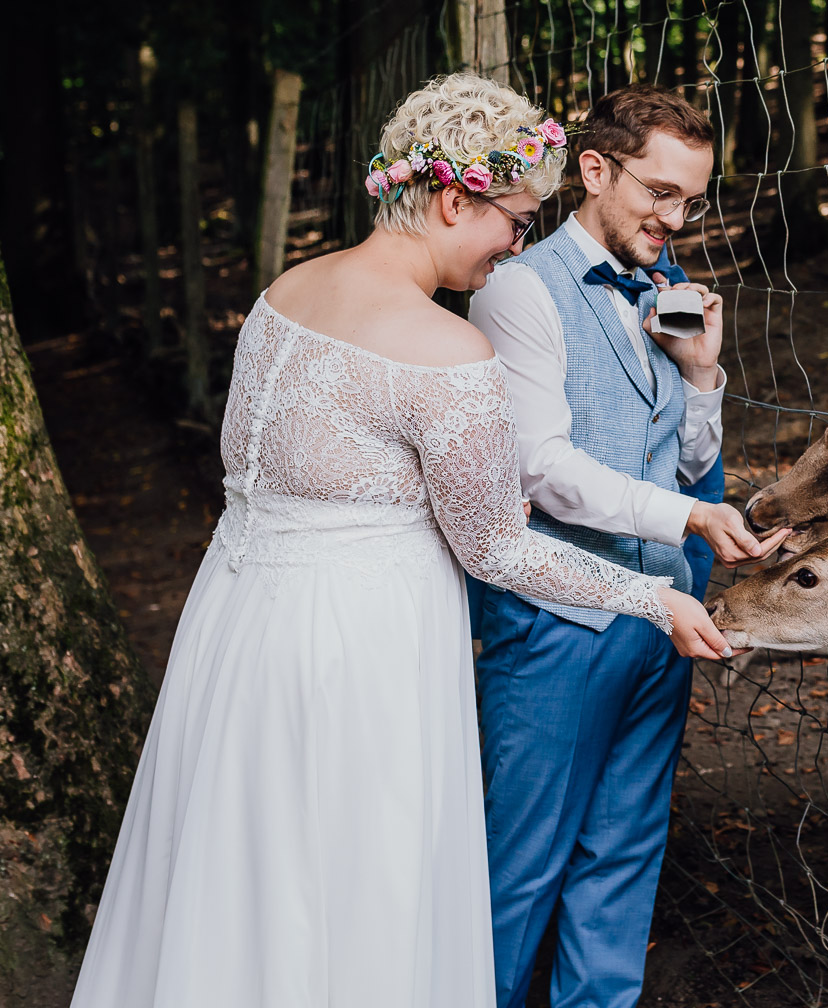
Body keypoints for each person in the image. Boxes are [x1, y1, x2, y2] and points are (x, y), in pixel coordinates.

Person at [69, 74, 737, 1008]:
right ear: (456, 199)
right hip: (361, 652)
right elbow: (498, 547)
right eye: (512, 218)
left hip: (238, 629)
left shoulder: (282, 294)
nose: (517, 242)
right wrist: (652, 597)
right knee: (359, 882)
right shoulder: (446, 350)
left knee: (248, 871)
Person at [467, 83, 782, 1008]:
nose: (674, 217)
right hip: (556, 620)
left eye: (691, 199)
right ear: (594, 171)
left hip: (661, 623)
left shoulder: (664, 286)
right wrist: (685, 521)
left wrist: (703, 374)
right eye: (657, 193)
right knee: (519, 869)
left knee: (623, 861)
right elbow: (541, 469)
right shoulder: (518, 290)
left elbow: (687, 464)